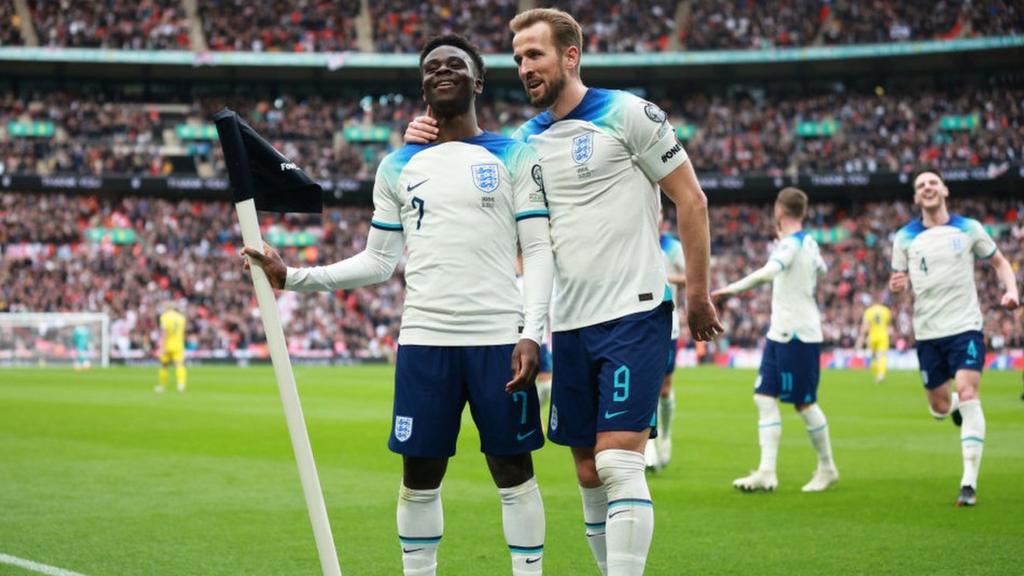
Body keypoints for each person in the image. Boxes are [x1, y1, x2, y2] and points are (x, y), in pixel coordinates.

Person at [406, 9, 721, 575]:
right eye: (518, 58)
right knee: (586, 472)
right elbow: (471, 196)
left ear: (569, 57)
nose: (524, 68)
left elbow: (691, 200)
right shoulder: (523, 145)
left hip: (636, 310)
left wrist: (697, 294)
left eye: (536, 56)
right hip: (569, 323)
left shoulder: (627, 114)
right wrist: (419, 144)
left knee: (620, 463)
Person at [244, 35, 555, 576]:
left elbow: (538, 249)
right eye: (432, 65)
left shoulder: (514, 154)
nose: (442, 70)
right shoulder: (397, 165)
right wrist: (293, 276)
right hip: (424, 342)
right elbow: (379, 261)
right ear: (422, 84)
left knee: (513, 469)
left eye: (455, 64)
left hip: (499, 340)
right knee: (419, 474)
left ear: (477, 81)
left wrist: (533, 332)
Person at [889, 168, 1019, 507]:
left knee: (969, 389)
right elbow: (900, 285)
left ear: (944, 190)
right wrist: (897, 288)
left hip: (965, 327)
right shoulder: (904, 238)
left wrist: (1011, 291)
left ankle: (968, 483)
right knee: (940, 407)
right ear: (916, 198)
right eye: (921, 185)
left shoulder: (969, 228)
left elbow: (1001, 263)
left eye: (933, 182)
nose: (928, 187)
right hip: (928, 333)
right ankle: (956, 406)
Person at [712, 188, 839, 493]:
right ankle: (767, 472)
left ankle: (827, 467)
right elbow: (821, 268)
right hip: (779, 331)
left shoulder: (792, 244)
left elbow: (769, 272)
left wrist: (730, 289)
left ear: (779, 212)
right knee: (764, 397)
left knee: (803, 403)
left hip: (798, 332)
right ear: (803, 212)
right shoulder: (807, 242)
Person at [644, 225, 686, 472]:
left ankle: (666, 435)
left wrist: (662, 276)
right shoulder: (635, 236)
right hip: (638, 320)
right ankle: (649, 446)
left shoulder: (670, 246)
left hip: (668, 320)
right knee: (646, 384)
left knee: (664, 387)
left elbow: (691, 275)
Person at [855, 294, 893, 383]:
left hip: (872, 336)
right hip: (883, 335)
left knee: (874, 357)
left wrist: (861, 337)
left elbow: (865, 326)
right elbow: (889, 325)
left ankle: (877, 375)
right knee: (882, 355)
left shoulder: (869, 311)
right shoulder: (886, 310)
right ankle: (881, 374)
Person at [157, 301, 187, 392]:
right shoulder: (181, 317)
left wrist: (162, 346)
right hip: (178, 344)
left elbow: (165, 332)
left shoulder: (164, 316)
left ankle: (162, 386)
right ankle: (181, 385)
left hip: (168, 344)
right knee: (180, 364)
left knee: (164, 365)